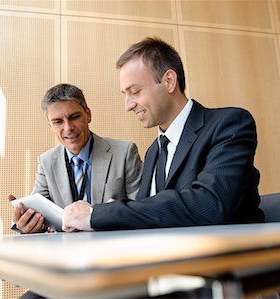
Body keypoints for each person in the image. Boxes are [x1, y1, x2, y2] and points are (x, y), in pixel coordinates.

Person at [63, 37, 264, 232]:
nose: (128, 105)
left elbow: (209, 204)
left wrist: (102, 214)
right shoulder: (154, 151)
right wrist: (111, 215)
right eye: (125, 95)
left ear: (168, 81)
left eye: (135, 91)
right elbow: (150, 212)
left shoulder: (229, 124)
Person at [8, 83, 143, 234]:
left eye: (74, 117)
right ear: (50, 126)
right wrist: (25, 221)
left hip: (113, 251)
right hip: (66, 253)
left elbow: (141, 211)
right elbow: (40, 213)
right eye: (58, 121)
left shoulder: (125, 153)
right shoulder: (46, 162)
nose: (68, 128)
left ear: (88, 114)